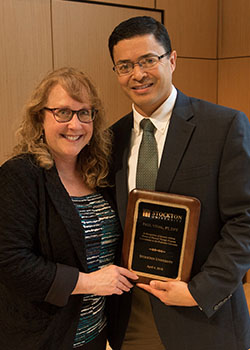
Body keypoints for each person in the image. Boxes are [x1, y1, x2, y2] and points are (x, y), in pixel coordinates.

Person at [107, 16, 250, 350]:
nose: (137, 74)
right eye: (125, 65)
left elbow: (244, 220)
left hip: (202, 316)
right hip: (132, 317)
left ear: (172, 60)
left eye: (148, 60)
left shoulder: (223, 126)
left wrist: (200, 291)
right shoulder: (110, 139)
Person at [0, 67, 138, 350]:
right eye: (62, 112)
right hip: (41, 336)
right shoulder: (21, 175)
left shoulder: (98, 175)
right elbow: (10, 261)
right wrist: (88, 283)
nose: (75, 125)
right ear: (40, 117)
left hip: (94, 334)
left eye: (84, 113)